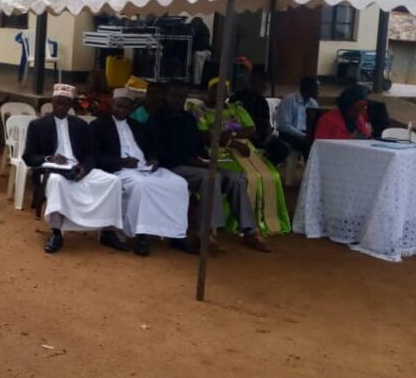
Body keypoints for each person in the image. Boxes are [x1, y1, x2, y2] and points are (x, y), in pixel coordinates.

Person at [147, 82, 271, 252]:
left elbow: (198, 146)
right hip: (170, 167)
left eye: (182, 96)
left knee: (236, 178)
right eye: (174, 95)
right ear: (166, 96)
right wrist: (197, 163)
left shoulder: (188, 118)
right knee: (211, 177)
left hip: (195, 165)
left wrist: (207, 161)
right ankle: (206, 234)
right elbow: (161, 153)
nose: (178, 100)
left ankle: (250, 231)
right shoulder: (157, 119)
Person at [23, 84, 126, 254]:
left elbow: (90, 154)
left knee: (113, 181)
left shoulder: (80, 125)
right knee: (56, 182)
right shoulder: (37, 125)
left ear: (71, 105)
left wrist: (84, 168)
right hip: (52, 171)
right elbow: (28, 156)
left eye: (65, 103)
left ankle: (107, 231)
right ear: (52, 102)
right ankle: (56, 232)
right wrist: (49, 158)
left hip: (77, 168)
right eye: (58, 102)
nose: (61, 106)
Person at [90, 90, 193, 256]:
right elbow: (95, 155)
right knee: (142, 185)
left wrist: (153, 160)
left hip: (144, 168)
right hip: (119, 170)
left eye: (127, 108)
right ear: (112, 105)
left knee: (179, 184)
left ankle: (176, 234)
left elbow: (151, 148)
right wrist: (122, 162)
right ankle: (142, 235)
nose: (123, 110)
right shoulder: (99, 125)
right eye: (119, 106)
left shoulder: (137, 126)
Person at [197, 78, 289, 235]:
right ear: (209, 91)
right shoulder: (200, 110)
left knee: (271, 175)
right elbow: (205, 134)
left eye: (224, 91)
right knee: (245, 177)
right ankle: (236, 222)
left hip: (245, 150)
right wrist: (232, 141)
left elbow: (251, 129)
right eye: (216, 90)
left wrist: (231, 135)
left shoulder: (237, 108)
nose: (220, 94)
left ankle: (266, 220)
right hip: (217, 152)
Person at [229, 70, 291, 165]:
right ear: (252, 84)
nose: (263, 90)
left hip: (261, 138)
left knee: (283, 148)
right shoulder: (237, 98)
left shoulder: (262, 101)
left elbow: (266, 122)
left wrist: (267, 136)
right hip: (243, 135)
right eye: (261, 87)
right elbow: (231, 121)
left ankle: (266, 166)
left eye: (264, 88)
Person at [276, 76, 320, 159]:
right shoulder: (289, 100)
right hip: (288, 135)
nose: (318, 91)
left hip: (305, 135)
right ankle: (309, 165)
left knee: (318, 143)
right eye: (316, 88)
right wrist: (303, 136)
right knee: (308, 145)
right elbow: (283, 126)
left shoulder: (313, 103)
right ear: (308, 88)